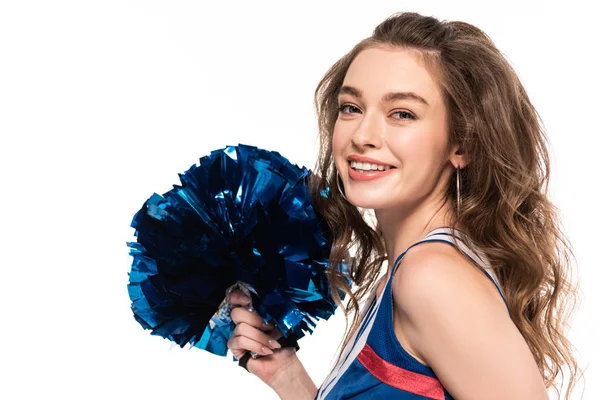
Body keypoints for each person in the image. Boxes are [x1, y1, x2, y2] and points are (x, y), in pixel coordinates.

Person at [226, 11, 581, 399]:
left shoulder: (430, 276)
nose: (363, 135)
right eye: (351, 107)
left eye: (402, 114)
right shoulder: (402, 277)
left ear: (461, 143)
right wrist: (287, 376)